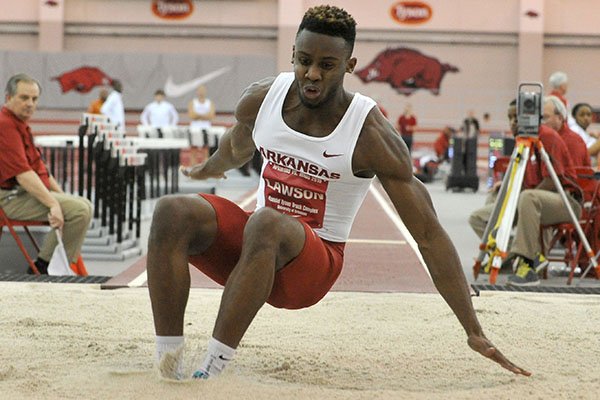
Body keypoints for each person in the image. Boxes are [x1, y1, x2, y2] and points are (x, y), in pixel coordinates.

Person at [147, 5, 530, 380]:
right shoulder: (262, 99)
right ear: (293, 54)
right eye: (303, 61)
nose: (311, 74)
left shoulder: (370, 134)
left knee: (265, 222)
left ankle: (211, 369)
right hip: (255, 250)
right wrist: (204, 169)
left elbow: (428, 236)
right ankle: (169, 361)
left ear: (349, 66)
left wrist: (473, 330)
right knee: (171, 211)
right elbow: (234, 149)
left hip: (312, 264)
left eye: (327, 66)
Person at [469, 99, 582, 286]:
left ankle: (528, 265)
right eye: (510, 118)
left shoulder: (547, 137)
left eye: (517, 117)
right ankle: (512, 253)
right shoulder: (520, 142)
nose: (513, 122)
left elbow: (553, 180)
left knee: (527, 198)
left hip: (565, 201)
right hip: (532, 201)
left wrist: (521, 201)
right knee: (479, 216)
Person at [0, 73, 92, 274]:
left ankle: (46, 265)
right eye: (24, 98)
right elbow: (24, 174)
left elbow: (39, 169)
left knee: (83, 205)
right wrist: (54, 203)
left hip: (18, 193)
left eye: (34, 99)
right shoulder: (5, 125)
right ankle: (47, 267)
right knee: (79, 211)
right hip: (6, 199)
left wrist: (60, 197)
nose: (30, 104)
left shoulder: (20, 124)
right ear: (8, 98)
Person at [542, 96, 590, 168]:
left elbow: (574, 177)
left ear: (560, 118)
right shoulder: (543, 138)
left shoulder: (572, 141)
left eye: (545, 117)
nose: (541, 122)